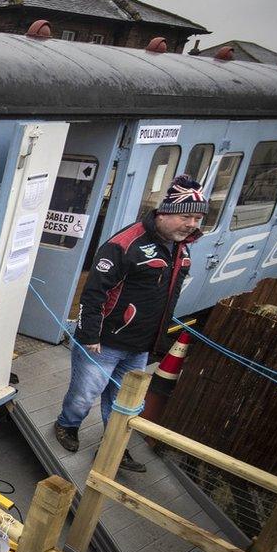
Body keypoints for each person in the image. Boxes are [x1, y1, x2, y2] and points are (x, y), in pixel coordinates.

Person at [54, 174, 206, 472]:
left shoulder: (181, 247)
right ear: (166, 212)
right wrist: (88, 336)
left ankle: (110, 450)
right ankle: (67, 425)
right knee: (85, 395)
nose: (192, 224)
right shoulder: (125, 243)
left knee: (125, 403)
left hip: (141, 346)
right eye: (186, 215)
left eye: (198, 218)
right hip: (104, 343)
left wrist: (158, 341)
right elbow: (94, 292)